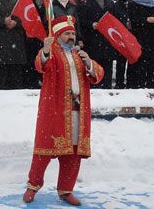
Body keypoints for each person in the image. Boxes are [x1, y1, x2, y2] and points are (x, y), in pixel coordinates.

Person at [23, 17, 104, 206]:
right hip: (55, 109)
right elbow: (41, 65)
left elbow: (97, 75)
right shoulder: (52, 52)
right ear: (58, 36)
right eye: (67, 34)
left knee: (73, 153)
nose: (71, 37)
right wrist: (45, 49)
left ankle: (66, 190)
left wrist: (89, 63)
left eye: (73, 34)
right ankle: (32, 186)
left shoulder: (79, 55)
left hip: (78, 111)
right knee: (44, 150)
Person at [76, 0, 127, 89]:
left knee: (107, 69)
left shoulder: (110, 3)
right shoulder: (85, 4)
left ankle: (107, 88)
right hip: (92, 42)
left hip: (107, 42)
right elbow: (80, 21)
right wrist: (91, 25)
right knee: (93, 68)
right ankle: (95, 89)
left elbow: (115, 19)